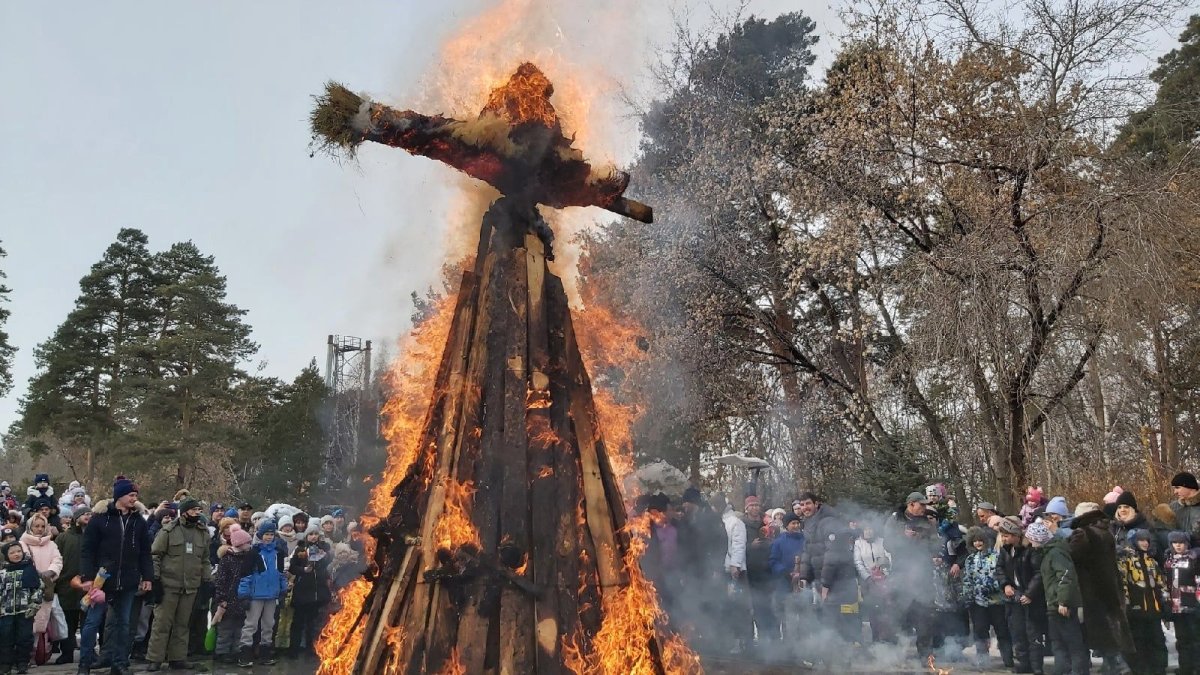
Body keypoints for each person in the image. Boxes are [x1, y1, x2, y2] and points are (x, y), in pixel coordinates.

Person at [79, 478, 153, 675]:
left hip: (128, 580)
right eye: (131, 495)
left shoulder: (138, 521)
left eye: (136, 495)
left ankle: (119, 664)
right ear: (119, 496)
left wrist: (147, 576)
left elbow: (145, 551)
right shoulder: (100, 519)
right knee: (92, 623)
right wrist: (87, 576)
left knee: (124, 624)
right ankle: (84, 664)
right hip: (101, 580)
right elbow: (87, 550)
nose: (134, 498)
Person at [1068, 502, 1134, 673]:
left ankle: (1116, 663)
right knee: (1110, 623)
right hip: (1109, 583)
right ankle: (1112, 663)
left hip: (1091, 586)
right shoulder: (1106, 531)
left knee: (1099, 627)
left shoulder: (1083, 533)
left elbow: (1072, 555)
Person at [145, 497, 209, 672]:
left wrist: (207, 580)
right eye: (194, 510)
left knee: (183, 624)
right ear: (186, 511)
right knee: (162, 624)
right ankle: (155, 658)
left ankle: (178, 657)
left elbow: (205, 559)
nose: (197, 513)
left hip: (191, 586)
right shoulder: (169, 531)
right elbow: (155, 556)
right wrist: (155, 580)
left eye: (199, 510)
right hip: (168, 585)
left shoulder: (202, 533)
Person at [1027, 522, 1088, 675]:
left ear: (1039, 538)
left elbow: (1066, 576)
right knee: (1057, 643)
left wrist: (1063, 601)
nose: (1030, 543)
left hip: (1061, 605)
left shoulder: (1056, 553)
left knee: (1073, 644)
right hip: (1053, 605)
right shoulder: (1048, 553)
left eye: (1032, 539)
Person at [994, 517, 1045, 675]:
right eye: (1002, 535)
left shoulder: (1030, 549)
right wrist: (1006, 585)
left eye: (1006, 535)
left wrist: (1030, 594)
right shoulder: (1005, 550)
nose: (1003, 538)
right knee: (1018, 633)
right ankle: (1022, 667)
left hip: (1032, 598)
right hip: (1014, 597)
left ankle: (1037, 668)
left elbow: (1039, 573)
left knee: (1033, 636)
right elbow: (999, 569)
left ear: (1016, 535)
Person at [237, 521, 287, 667]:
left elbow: (281, 574)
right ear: (260, 535)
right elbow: (245, 575)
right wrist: (244, 595)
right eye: (266, 534)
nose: (269, 537)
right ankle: (245, 654)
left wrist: (282, 591)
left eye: (271, 534)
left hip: (271, 595)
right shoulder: (254, 552)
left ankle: (265, 653)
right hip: (256, 595)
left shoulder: (278, 553)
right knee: (251, 624)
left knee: (268, 624)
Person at [961, 527, 1012, 669]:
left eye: (980, 540)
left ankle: (1008, 660)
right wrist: (968, 594)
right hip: (978, 603)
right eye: (975, 541)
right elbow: (967, 578)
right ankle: (982, 661)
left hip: (997, 601)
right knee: (980, 632)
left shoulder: (996, 555)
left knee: (1002, 631)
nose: (978, 543)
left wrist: (992, 587)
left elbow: (1000, 574)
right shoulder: (970, 559)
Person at [1118, 529, 1167, 675]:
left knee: (1157, 641)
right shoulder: (1126, 561)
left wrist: (1165, 604)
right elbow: (1123, 584)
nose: (1145, 543)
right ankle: (1141, 670)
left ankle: (1158, 670)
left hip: (1154, 610)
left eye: (1147, 540)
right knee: (1139, 642)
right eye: (1141, 540)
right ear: (1134, 541)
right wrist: (1125, 605)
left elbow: (1160, 584)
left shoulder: (1152, 561)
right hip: (1136, 610)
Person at [19, 513, 61, 660]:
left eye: (42, 526)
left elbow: (57, 560)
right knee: (26, 621)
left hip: (45, 587)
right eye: (36, 526)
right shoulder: (23, 543)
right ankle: (24, 654)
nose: (39, 529)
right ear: (30, 526)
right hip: (28, 588)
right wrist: (34, 573)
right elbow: (21, 560)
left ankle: (34, 652)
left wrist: (51, 572)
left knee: (40, 622)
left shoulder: (51, 544)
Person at [212, 527, 256, 664]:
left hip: (242, 600)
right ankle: (222, 652)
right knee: (226, 628)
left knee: (240, 628)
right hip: (228, 600)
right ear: (239, 543)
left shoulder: (248, 559)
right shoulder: (227, 559)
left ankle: (236, 651)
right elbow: (220, 581)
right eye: (247, 543)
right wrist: (221, 599)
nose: (250, 545)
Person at [0, 541, 43, 675]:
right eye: (12, 552)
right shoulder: (3, 572)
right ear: (6, 555)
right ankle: (6, 664)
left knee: (24, 637)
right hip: (6, 612)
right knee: (6, 638)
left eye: (18, 551)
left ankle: (23, 663)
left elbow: (38, 588)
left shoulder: (29, 569)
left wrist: (34, 605)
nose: (16, 554)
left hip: (25, 611)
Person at [288, 529, 331, 658]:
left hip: (318, 592)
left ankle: (311, 649)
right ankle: (293, 649)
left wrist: (324, 556)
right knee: (298, 623)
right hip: (302, 592)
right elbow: (292, 567)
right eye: (311, 534)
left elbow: (327, 565)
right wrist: (303, 570)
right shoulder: (300, 549)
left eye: (315, 533)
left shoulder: (324, 549)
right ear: (306, 536)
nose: (313, 537)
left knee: (313, 624)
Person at [54, 507, 88, 666]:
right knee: (68, 622)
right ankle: (66, 653)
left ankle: (88, 653)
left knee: (89, 621)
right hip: (66, 585)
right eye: (84, 514)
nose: (88, 517)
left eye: (90, 514)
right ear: (76, 518)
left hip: (89, 585)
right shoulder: (63, 538)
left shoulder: (93, 536)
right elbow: (57, 560)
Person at [854, 520, 894, 643]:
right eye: (866, 529)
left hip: (884, 580)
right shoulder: (858, 544)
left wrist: (886, 573)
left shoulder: (882, 542)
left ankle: (888, 636)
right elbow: (858, 562)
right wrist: (867, 577)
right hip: (868, 582)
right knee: (873, 609)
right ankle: (876, 637)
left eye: (870, 529)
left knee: (886, 608)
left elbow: (889, 557)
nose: (869, 531)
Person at [1171, 472, 1200, 545]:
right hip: (1179, 554)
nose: (1175, 492)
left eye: (1177, 487)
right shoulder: (1173, 507)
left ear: (1189, 486)